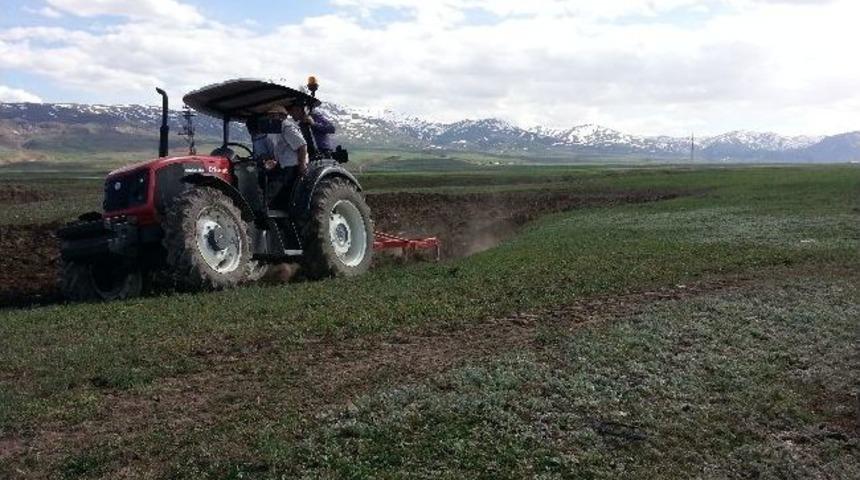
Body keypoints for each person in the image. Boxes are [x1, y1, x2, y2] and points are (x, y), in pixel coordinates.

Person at [264, 104, 309, 207]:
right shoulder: (276, 129)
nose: (270, 118)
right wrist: (274, 161)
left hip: (292, 165)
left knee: (275, 186)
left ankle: (265, 207)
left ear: (281, 116)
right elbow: (280, 149)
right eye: (269, 116)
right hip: (283, 164)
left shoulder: (287, 127)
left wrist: (302, 166)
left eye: (272, 116)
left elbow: (302, 146)